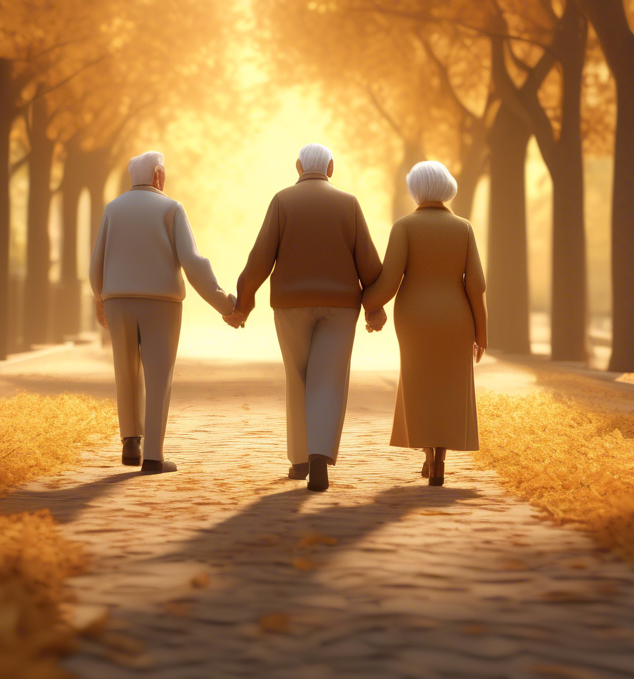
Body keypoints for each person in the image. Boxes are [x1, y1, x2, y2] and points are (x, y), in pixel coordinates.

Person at [226, 143, 383, 492]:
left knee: (297, 376)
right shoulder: (349, 204)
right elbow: (369, 264)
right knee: (329, 379)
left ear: (298, 167)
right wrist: (374, 309)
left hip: (290, 305)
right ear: (331, 168)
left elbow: (260, 258)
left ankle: (299, 459)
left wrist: (243, 305)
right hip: (341, 307)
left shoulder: (282, 201)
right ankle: (319, 457)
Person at [90, 151, 235, 474]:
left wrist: (100, 298)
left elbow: (97, 261)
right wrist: (225, 303)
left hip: (118, 301)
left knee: (125, 370)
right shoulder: (172, 208)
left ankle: (130, 442)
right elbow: (193, 263)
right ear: (157, 174)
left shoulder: (113, 209)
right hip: (162, 302)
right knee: (159, 375)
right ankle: (154, 455)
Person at [361, 161, 487, 487]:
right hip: (457, 318)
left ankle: (427, 455)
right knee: (449, 385)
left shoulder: (404, 227)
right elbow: (476, 285)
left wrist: (367, 304)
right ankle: (440, 460)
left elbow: (389, 281)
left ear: (415, 189)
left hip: (414, 318)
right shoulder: (464, 228)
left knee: (419, 382)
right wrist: (482, 334)